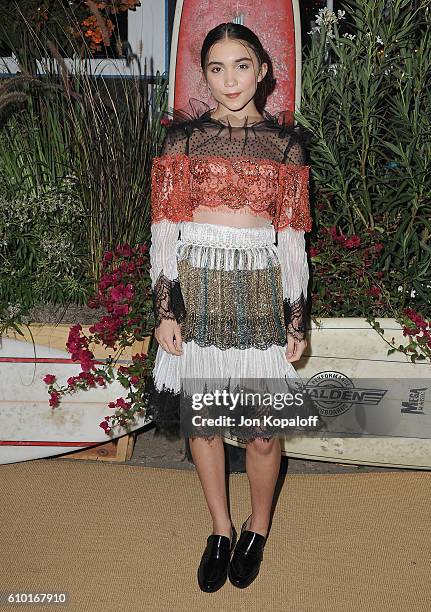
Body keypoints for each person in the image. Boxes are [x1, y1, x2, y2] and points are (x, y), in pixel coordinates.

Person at [145, 22, 315, 592]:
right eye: (216, 68)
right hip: (195, 293)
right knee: (207, 421)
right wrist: (165, 311)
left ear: (263, 71)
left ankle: (257, 527)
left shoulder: (287, 146)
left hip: (261, 294)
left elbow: (291, 241)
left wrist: (296, 319)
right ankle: (220, 528)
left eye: (241, 65)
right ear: (205, 75)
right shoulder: (182, 141)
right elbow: (165, 232)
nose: (229, 80)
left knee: (263, 433)